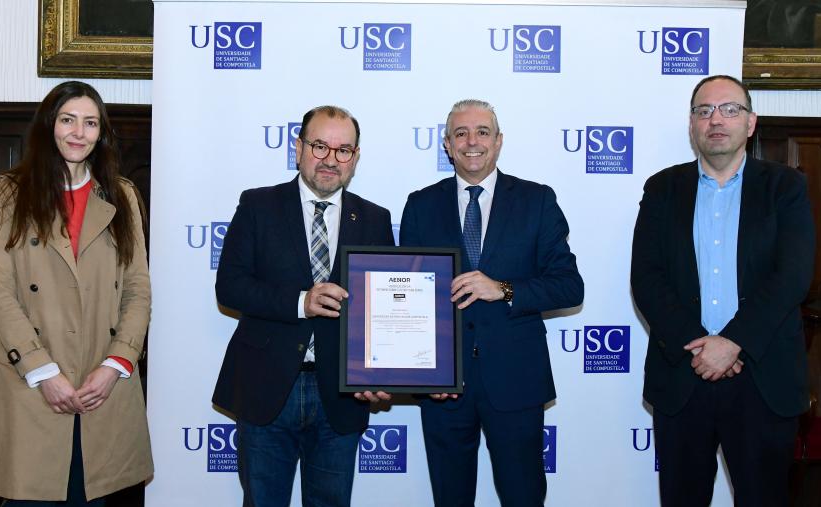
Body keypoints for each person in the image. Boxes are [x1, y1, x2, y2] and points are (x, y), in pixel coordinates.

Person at [631, 75, 815, 506]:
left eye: (729, 109)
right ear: (692, 125)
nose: (716, 119)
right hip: (683, 377)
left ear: (750, 123)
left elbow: (793, 276)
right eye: (704, 110)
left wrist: (732, 343)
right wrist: (699, 348)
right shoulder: (661, 188)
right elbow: (647, 277)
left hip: (762, 378)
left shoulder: (785, 187)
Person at [400, 99, 584, 506]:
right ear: (447, 144)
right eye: (460, 133)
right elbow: (409, 301)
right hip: (444, 387)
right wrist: (425, 375)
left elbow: (569, 286)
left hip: (516, 380)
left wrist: (504, 288)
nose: (472, 142)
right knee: (450, 498)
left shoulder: (537, 200)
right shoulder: (420, 205)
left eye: (482, 132)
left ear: (498, 142)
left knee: (523, 496)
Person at [0, 81, 152, 505]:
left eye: (90, 123)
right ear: (48, 126)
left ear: (101, 133)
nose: (79, 132)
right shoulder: (8, 193)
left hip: (102, 386)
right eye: (68, 120)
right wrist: (42, 371)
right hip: (32, 386)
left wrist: (116, 363)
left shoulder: (122, 195)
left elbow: (137, 289)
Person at [212, 105, 394, 507]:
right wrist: (301, 302)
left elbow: (382, 312)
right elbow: (231, 287)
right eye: (319, 146)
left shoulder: (375, 219)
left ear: (356, 158)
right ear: (298, 149)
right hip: (267, 386)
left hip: (342, 395)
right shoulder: (258, 206)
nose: (331, 159)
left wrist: (384, 371)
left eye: (343, 150)